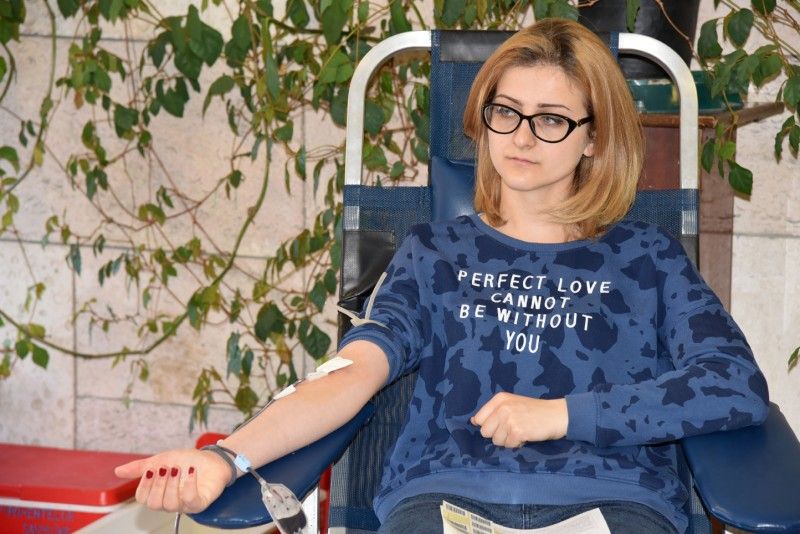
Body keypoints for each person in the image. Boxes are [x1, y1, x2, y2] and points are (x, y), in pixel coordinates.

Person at [116, 18, 770, 534]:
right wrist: (226, 457)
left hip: (613, 502)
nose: (521, 137)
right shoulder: (434, 253)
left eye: (550, 119)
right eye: (505, 111)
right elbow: (351, 374)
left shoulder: (647, 259)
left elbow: (732, 384)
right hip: (445, 500)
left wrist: (564, 416)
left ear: (593, 138)